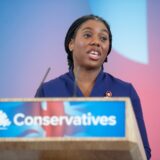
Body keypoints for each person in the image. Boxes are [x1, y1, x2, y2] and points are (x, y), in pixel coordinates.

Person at [35, 14, 151, 159]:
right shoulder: (48, 90)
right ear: (71, 44)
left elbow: (143, 151)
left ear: (107, 48)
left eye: (103, 38)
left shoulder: (125, 91)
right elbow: (36, 148)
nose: (96, 42)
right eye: (88, 35)